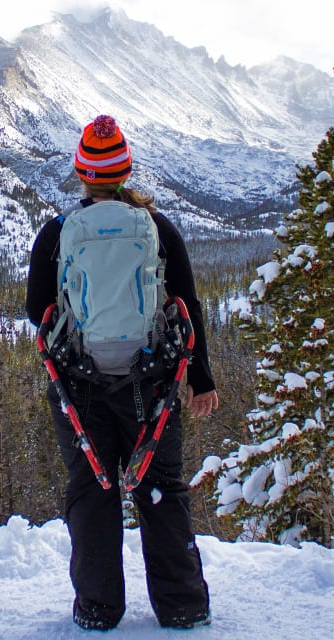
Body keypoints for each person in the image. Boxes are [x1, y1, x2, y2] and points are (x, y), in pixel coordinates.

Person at [26, 115, 218, 631]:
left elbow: (36, 307)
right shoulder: (156, 227)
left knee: (92, 490)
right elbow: (186, 304)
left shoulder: (60, 231)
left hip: (80, 386)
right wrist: (201, 378)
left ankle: (98, 608)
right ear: (125, 171)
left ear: (82, 172)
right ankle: (182, 605)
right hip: (150, 383)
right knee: (161, 488)